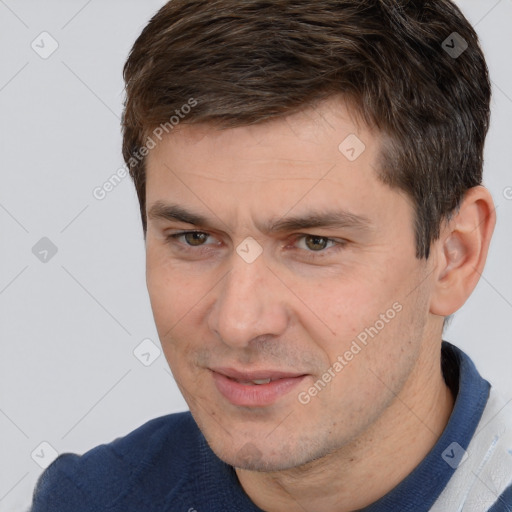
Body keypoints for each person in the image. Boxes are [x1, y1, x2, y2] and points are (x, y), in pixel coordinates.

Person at [30, 0, 512, 510]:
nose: (238, 322)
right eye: (194, 238)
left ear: (455, 254)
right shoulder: (93, 499)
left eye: (314, 243)